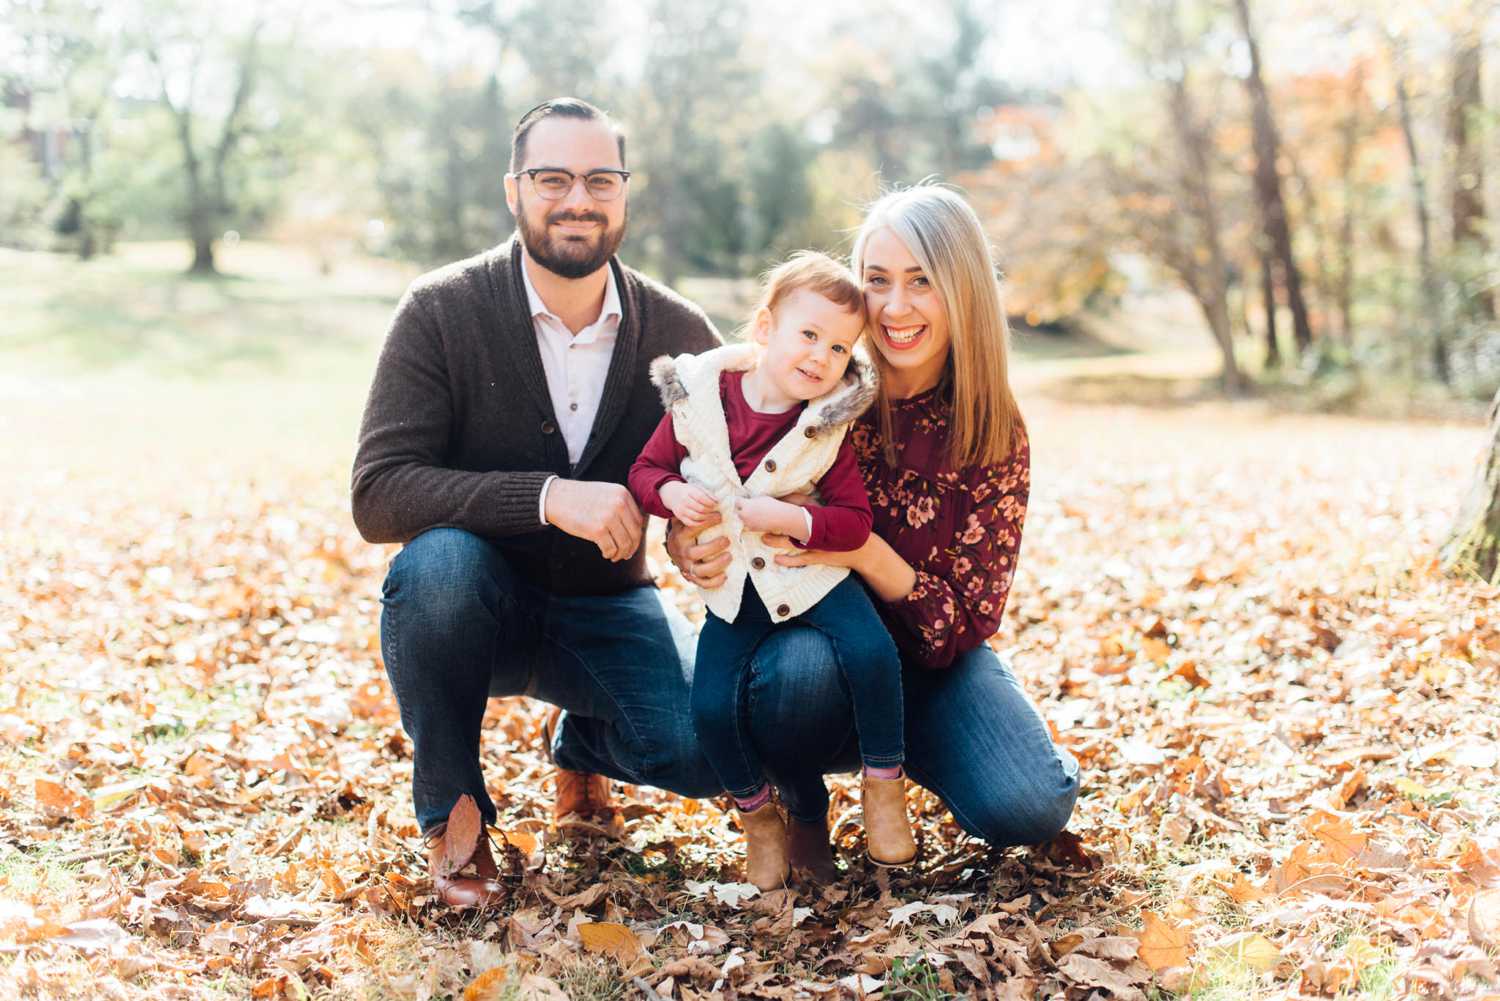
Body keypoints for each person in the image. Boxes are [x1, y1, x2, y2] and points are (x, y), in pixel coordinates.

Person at [351, 97, 722, 909]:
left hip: (608, 608)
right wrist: (550, 498)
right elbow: (378, 493)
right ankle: (457, 819)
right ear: (513, 189)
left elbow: (730, 482)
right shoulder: (441, 309)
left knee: (706, 746)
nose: (577, 199)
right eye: (552, 177)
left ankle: (579, 742)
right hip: (472, 608)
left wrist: (701, 542)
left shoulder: (683, 333)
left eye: (599, 178)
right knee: (437, 564)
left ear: (625, 193)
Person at [666, 184, 1081, 881]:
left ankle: (910, 754)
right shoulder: (812, 385)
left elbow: (967, 619)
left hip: (934, 666)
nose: (895, 307)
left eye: (922, 281)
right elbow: (710, 471)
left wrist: (860, 548)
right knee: (785, 678)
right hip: (811, 650)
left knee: (1031, 803)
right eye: (878, 281)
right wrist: (686, 541)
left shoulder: (991, 425)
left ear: (964, 289)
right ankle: (802, 803)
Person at [628, 253, 914, 890]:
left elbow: (854, 523)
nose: (820, 357)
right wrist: (671, 496)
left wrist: (794, 520)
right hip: (734, 590)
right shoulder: (698, 400)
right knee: (708, 708)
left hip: (807, 575)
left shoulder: (826, 426)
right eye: (808, 335)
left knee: (872, 652)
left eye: (839, 348)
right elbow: (644, 472)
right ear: (764, 328)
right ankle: (760, 818)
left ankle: (883, 785)